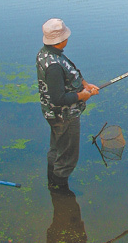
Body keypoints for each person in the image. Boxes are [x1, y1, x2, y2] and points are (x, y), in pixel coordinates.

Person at [36, 18, 99, 191]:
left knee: (56, 148)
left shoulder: (47, 53)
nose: (68, 38)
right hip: (64, 117)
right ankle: (60, 188)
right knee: (68, 156)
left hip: (54, 115)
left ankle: (52, 181)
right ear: (60, 39)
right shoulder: (53, 65)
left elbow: (69, 73)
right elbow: (58, 98)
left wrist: (85, 84)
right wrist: (82, 96)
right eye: (66, 35)